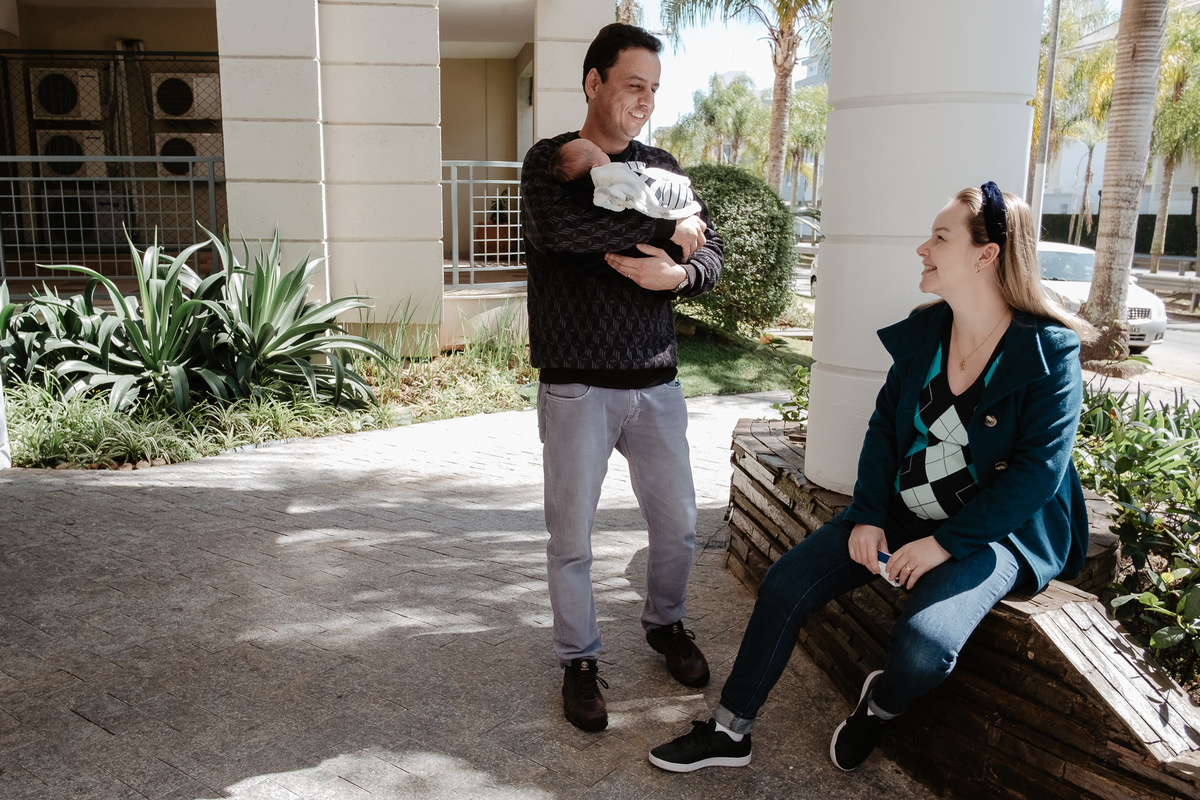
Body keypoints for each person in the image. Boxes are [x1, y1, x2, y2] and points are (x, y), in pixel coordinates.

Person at [647, 182, 1095, 772]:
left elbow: (1038, 475)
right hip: (904, 509)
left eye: (939, 237)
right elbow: (885, 431)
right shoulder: (926, 331)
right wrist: (867, 515)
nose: (922, 249)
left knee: (924, 652)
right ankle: (730, 732)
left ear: (987, 255)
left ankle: (878, 708)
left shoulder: (1048, 352)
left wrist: (944, 545)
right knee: (785, 586)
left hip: (989, 532)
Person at [520, 22, 725, 733]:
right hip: (576, 384)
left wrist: (682, 271)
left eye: (653, 90)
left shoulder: (663, 164)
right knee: (570, 538)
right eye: (633, 85)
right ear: (594, 82)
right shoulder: (551, 162)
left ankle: (665, 624)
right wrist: (668, 230)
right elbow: (563, 235)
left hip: (656, 383)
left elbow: (713, 247)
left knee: (678, 526)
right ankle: (580, 659)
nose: (644, 101)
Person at [548, 137, 702, 220]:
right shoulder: (602, 186)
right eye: (599, 150)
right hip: (657, 199)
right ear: (595, 169)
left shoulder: (661, 157)